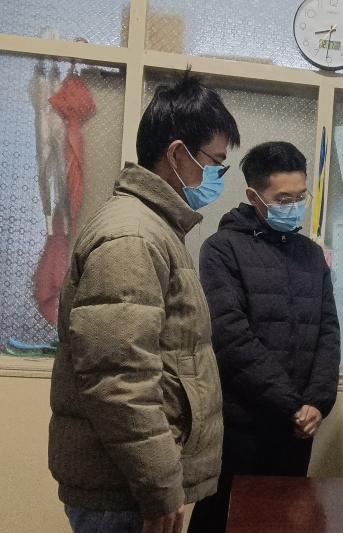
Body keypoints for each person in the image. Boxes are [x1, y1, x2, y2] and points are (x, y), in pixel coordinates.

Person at [48, 70, 240, 533]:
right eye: (215, 163)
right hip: (124, 493)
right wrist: (159, 486)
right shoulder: (132, 236)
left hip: (131, 486)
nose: (217, 177)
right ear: (176, 154)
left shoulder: (156, 228)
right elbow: (120, 379)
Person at [188, 141, 340, 533]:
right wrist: (292, 404)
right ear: (253, 196)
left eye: (301, 197)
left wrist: (317, 402)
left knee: (285, 522)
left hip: (298, 430)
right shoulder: (222, 249)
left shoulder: (311, 255)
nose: (294, 206)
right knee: (224, 520)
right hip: (241, 427)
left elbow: (328, 331)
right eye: (283, 199)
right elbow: (230, 336)